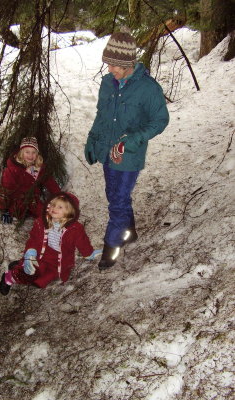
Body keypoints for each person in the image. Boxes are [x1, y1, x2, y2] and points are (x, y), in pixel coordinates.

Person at [84, 32, 169, 270]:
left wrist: (133, 140)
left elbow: (160, 120)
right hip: (107, 151)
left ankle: (112, 248)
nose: (109, 69)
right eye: (108, 64)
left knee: (118, 201)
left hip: (129, 154)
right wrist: (92, 139)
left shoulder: (147, 88)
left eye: (113, 65)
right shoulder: (106, 83)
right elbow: (102, 116)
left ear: (127, 63)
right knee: (114, 195)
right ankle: (129, 232)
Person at [0, 192, 102, 295]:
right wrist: (31, 251)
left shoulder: (75, 228)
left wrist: (88, 253)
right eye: (53, 205)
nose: (54, 208)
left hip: (58, 260)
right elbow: (33, 239)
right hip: (41, 254)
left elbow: (82, 242)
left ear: (70, 211)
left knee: (40, 282)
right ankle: (9, 277)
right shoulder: (42, 222)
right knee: (31, 273)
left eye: (60, 207)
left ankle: (18, 265)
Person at [0, 137, 61, 223]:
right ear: (21, 153)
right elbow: (6, 190)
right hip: (17, 201)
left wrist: (60, 195)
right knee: (16, 214)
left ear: (37, 154)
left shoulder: (37, 167)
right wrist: (4, 209)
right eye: (27, 152)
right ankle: (18, 214)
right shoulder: (12, 170)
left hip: (32, 200)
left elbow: (50, 182)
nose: (30, 156)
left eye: (33, 152)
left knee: (46, 215)